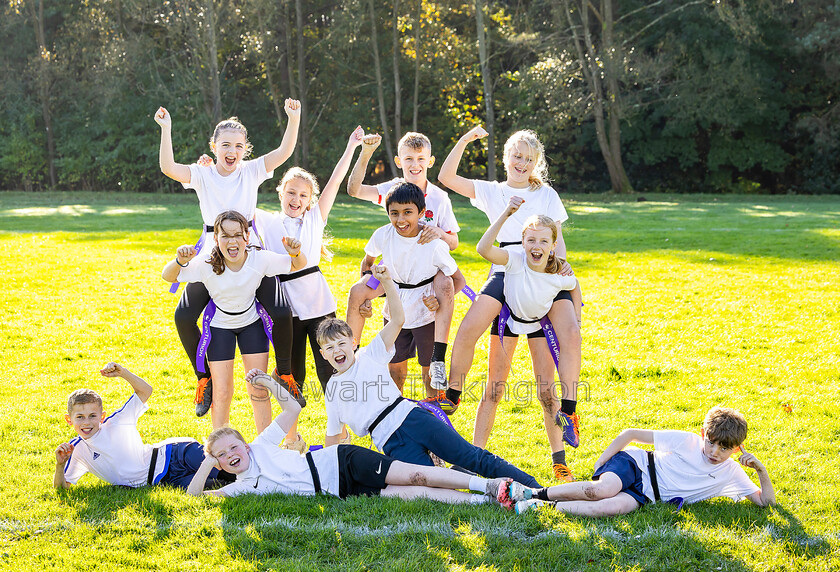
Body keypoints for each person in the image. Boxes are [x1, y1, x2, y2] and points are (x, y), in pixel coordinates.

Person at [435, 126, 582, 482]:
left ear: (536, 163)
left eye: (528, 159)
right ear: (505, 157)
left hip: (541, 275)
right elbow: (445, 176)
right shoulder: (492, 191)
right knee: (482, 356)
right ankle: (456, 403)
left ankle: (560, 455)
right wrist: (465, 140)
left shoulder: (545, 194)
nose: (521, 163)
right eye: (516, 156)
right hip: (507, 266)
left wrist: (559, 268)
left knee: (546, 384)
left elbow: (557, 242)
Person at [318, 265, 541, 488]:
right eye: (329, 348)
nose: (337, 350)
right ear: (323, 354)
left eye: (341, 343)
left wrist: (387, 282)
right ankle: (493, 491)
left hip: (412, 418)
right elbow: (333, 435)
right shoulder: (333, 391)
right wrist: (329, 474)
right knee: (434, 487)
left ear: (353, 343)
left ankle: (534, 487)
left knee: (472, 457)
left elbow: (397, 320)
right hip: (390, 442)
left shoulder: (370, 354)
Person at [154, 103, 301, 418]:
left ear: (245, 149)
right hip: (212, 252)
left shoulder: (251, 171)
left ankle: (284, 373)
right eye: (225, 145)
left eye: (238, 146)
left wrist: (294, 118)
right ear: (213, 147)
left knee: (280, 310)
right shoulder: (203, 173)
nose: (232, 151)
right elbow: (169, 167)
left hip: (249, 251)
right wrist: (166, 130)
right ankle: (203, 377)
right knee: (183, 316)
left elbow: (284, 151)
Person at [187, 368, 520, 507]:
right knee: (414, 494)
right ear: (218, 461)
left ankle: (487, 485)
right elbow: (194, 497)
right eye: (222, 454)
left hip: (339, 461)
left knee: (415, 474)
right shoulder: (239, 487)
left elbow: (292, 408)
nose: (231, 454)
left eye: (233, 446)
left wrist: (269, 383)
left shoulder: (258, 447)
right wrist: (207, 461)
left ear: (244, 445)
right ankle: (488, 501)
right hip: (338, 491)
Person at [251, 126, 365, 451]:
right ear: (280, 193)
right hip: (286, 309)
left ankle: (339, 436)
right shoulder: (265, 221)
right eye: (291, 193)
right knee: (291, 375)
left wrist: (351, 146)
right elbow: (236, 200)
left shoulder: (315, 219)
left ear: (310, 199)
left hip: (318, 304)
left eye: (303, 195)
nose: (296, 200)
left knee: (330, 371)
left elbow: (335, 181)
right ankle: (292, 441)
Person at [161, 210, 306, 431]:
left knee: (258, 389)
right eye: (225, 236)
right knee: (222, 392)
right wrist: (180, 261)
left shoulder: (259, 259)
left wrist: (296, 253)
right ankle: (220, 451)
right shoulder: (206, 264)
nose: (232, 241)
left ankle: (265, 451)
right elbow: (167, 276)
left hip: (252, 326)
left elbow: (298, 265)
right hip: (220, 329)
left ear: (247, 237)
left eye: (238, 235)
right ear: (216, 238)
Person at [471, 197, 583, 482]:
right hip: (509, 319)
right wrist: (505, 213)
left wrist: (577, 319)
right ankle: (473, 458)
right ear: (522, 242)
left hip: (539, 324)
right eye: (531, 240)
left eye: (544, 241)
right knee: (494, 389)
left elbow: (574, 286)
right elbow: (483, 249)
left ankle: (559, 463)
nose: (537, 246)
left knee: (547, 394)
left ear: (553, 245)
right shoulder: (514, 259)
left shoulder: (557, 270)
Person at [345, 131, 465, 390]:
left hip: (427, 273)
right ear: (399, 161)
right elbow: (353, 190)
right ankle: (348, 353)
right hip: (394, 271)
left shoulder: (439, 198)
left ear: (430, 161)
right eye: (408, 158)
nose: (415, 164)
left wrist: (439, 233)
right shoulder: (393, 190)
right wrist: (365, 153)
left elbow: (453, 243)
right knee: (358, 292)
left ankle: (437, 361)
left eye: (420, 158)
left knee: (444, 282)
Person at [510, 407, 776, 516]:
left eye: (724, 448)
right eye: (711, 442)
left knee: (609, 507)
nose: (715, 451)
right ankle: (534, 492)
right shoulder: (687, 441)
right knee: (601, 490)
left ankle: (540, 506)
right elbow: (631, 434)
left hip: (645, 495)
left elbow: (766, 502)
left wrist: (760, 470)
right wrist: (603, 460)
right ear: (704, 434)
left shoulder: (731, 472)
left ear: (737, 448)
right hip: (635, 465)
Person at [53, 362, 233, 490]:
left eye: (92, 416)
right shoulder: (74, 450)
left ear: (102, 416)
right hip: (165, 479)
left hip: (175, 454)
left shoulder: (116, 421)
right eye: (80, 417)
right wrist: (60, 466)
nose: (86, 422)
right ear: (69, 420)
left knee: (228, 472)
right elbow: (62, 488)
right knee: (220, 486)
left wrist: (123, 373)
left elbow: (146, 391)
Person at [356, 183, 459, 395]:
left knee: (429, 373)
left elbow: (458, 280)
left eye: (408, 213)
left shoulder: (433, 243)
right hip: (395, 308)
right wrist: (368, 296)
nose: (401, 220)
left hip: (426, 313)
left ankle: (434, 418)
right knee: (395, 371)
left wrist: (440, 301)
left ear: (421, 213)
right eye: (394, 213)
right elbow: (367, 264)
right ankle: (396, 416)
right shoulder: (383, 235)